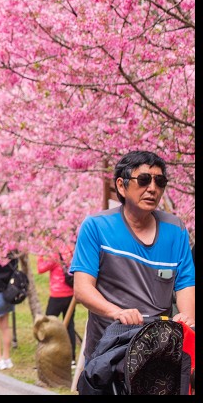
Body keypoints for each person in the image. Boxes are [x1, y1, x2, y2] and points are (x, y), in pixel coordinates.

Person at [70, 150, 195, 362]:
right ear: (121, 185)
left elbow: (185, 284)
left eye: (160, 181)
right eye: (144, 180)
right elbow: (82, 289)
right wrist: (117, 312)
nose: (152, 189)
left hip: (158, 349)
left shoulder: (176, 230)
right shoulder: (96, 227)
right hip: (108, 350)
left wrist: (187, 317)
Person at [36, 249, 76, 364]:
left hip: (57, 295)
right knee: (69, 326)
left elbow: (40, 269)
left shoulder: (55, 254)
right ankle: (71, 358)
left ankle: (46, 357)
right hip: (70, 294)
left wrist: (40, 255)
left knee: (48, 325)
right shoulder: (69, 250)